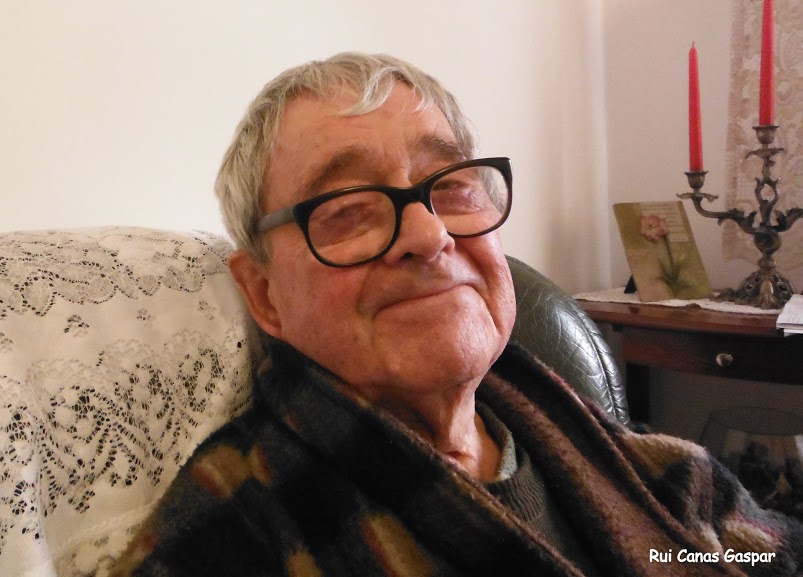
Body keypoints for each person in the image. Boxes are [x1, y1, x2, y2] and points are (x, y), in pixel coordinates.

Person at [111, 52, 802, 577]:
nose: (429, 233)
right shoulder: (229, 535)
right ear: (264, 293)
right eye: (347, 209)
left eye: (452, 187)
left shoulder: (634, 463)